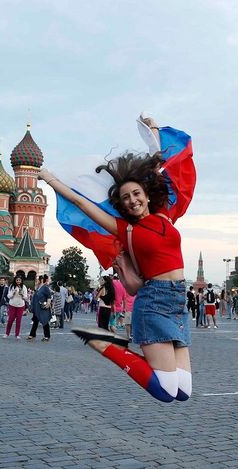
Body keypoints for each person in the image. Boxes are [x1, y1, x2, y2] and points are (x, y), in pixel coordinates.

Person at [39, 120, 193, 403]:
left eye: (136, 194)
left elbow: (170, 168)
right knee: (165, 391)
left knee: (183, 392)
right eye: (126, 198)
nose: (132, 200)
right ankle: (104, 342)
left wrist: (155, 131)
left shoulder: (163, 215)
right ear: (121, 205)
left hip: (179, 301)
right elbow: (82, 203)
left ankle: (110, 342)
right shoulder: (126, 229)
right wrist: (50, 179)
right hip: (155, 302)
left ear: (147, 195)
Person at [27, 274, 52, 342]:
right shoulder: (38, 287)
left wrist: (48, 303)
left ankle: (47, 336)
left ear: (41, 280)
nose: (36, 280)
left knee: (44, 321)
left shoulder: (45, 287)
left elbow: (49, 296)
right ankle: (32, 335)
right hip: (36, 307)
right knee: (35, 321)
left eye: (37, 279)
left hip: (42, 307)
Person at [4, 275, 28, 339]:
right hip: (12, 305)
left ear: (21, 281)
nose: (18, 281)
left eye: (19, 280)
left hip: (20, 305)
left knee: (18, 320)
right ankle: (7, 333)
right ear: (15, 280)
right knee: (10, 319)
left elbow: (26, 297)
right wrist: (13, 293)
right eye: (17, 280)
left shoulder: (24, 287)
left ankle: (17, 334)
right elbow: (8, 296)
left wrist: (22, 294)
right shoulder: (12, 286)